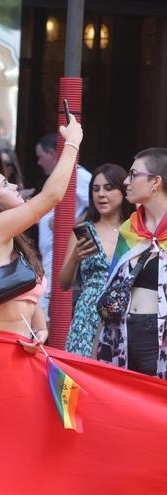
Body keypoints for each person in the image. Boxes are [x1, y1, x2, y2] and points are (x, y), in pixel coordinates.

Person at [0, 115, 83, 352]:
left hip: (19, 348)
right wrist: (72, 144)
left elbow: (26, 298)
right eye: (5, 185)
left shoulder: (9, 236)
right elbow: (52, 196)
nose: (15, 186)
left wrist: (41, 331)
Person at [97, 148, 167, 378]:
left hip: (159, 337)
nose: (126, 181)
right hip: (121, 331)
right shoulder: (129, 229)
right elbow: (110, 288)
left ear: (155, 182)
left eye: (133, 174)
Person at [59, 164, 133, 357]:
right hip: (87, 315)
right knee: (78, 380)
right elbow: (63, 284)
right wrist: (75, 258)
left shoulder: (134, 231)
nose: (101, 194)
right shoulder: (84, 231)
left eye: (109, 188)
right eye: (95, 188)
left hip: (124, 313)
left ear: (123, 191)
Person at [35, 132, 92, 319]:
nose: (38, 163)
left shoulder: (79, 175)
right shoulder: (58, 177)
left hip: (61, 253)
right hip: (48, 255)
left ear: (52, 153)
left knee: (45, 310)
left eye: (40, 157)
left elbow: (95, 205)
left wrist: (71, 224)